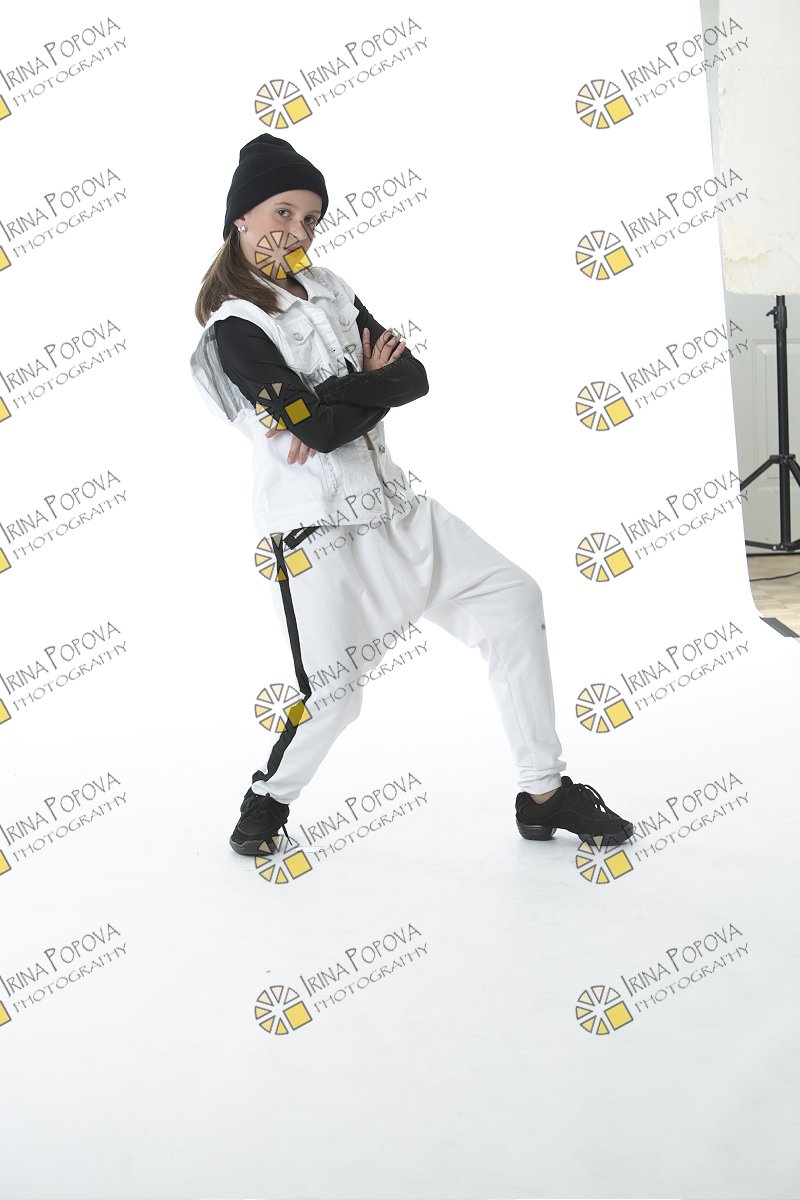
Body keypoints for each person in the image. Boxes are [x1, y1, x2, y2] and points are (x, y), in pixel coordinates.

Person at [190, 132, 634, 857]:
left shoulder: (331, 289)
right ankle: (266, 805)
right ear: (241, 217)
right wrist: (357, 391)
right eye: (282, 212)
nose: (297, 231)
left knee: (511, 599)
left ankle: (544, 792)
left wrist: (333, 401)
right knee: (336, 696)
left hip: (397, 505)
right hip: (317, 535)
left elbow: (412, 377)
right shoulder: (235, 330)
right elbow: (320, 430)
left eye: (310, 218)